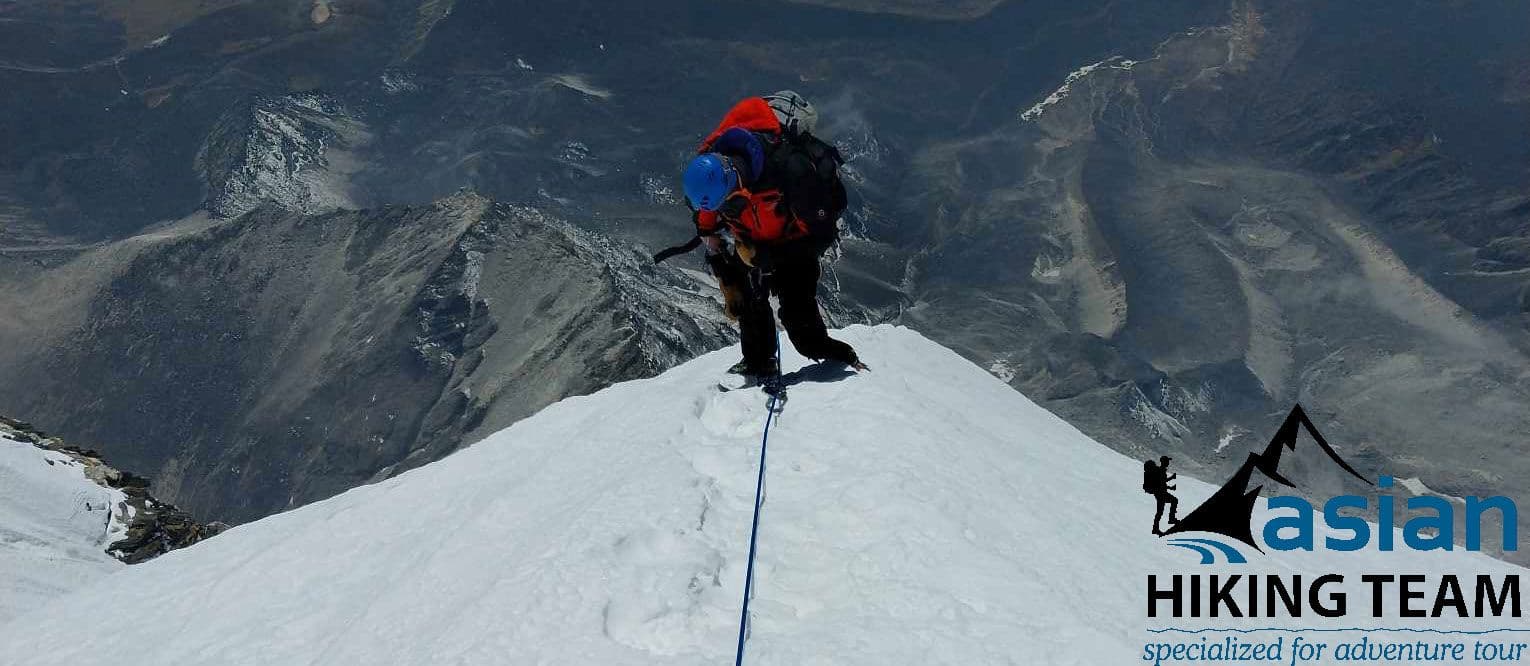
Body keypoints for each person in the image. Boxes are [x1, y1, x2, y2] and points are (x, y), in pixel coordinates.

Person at [665, 92, 866, 389]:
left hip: (795, 245)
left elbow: (821, 234)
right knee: (748, 299)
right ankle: (757, 361)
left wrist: (772, 259)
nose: (724, 212)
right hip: (753, 245)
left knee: (804, 333)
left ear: (737, 184)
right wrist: (715, 249)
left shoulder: (791, 172)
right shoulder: (713, 171)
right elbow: (707, 215)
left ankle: (841, 357)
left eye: (727, 205)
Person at [1143, 456, 1180, 535]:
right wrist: (1171, 486)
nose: (1168, 463)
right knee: (1161, 511)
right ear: (1164, 462)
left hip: (1160, 493)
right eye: (1167, 461)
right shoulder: (1160, 470)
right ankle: (1162, 525)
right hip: (1160, 493)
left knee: (1166, 507)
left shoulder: (1160, 470)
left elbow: (1162, 481)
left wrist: (1171, 479)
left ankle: (1169, 521)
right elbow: (1161, 483)